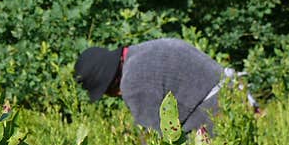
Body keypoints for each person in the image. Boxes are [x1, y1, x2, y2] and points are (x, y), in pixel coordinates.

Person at [73, 37, 261, 134]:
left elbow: (154, 140)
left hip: (218, 115)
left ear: (111, 83)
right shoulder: (147, 50)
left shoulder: (132, 81)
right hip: (236, 96)